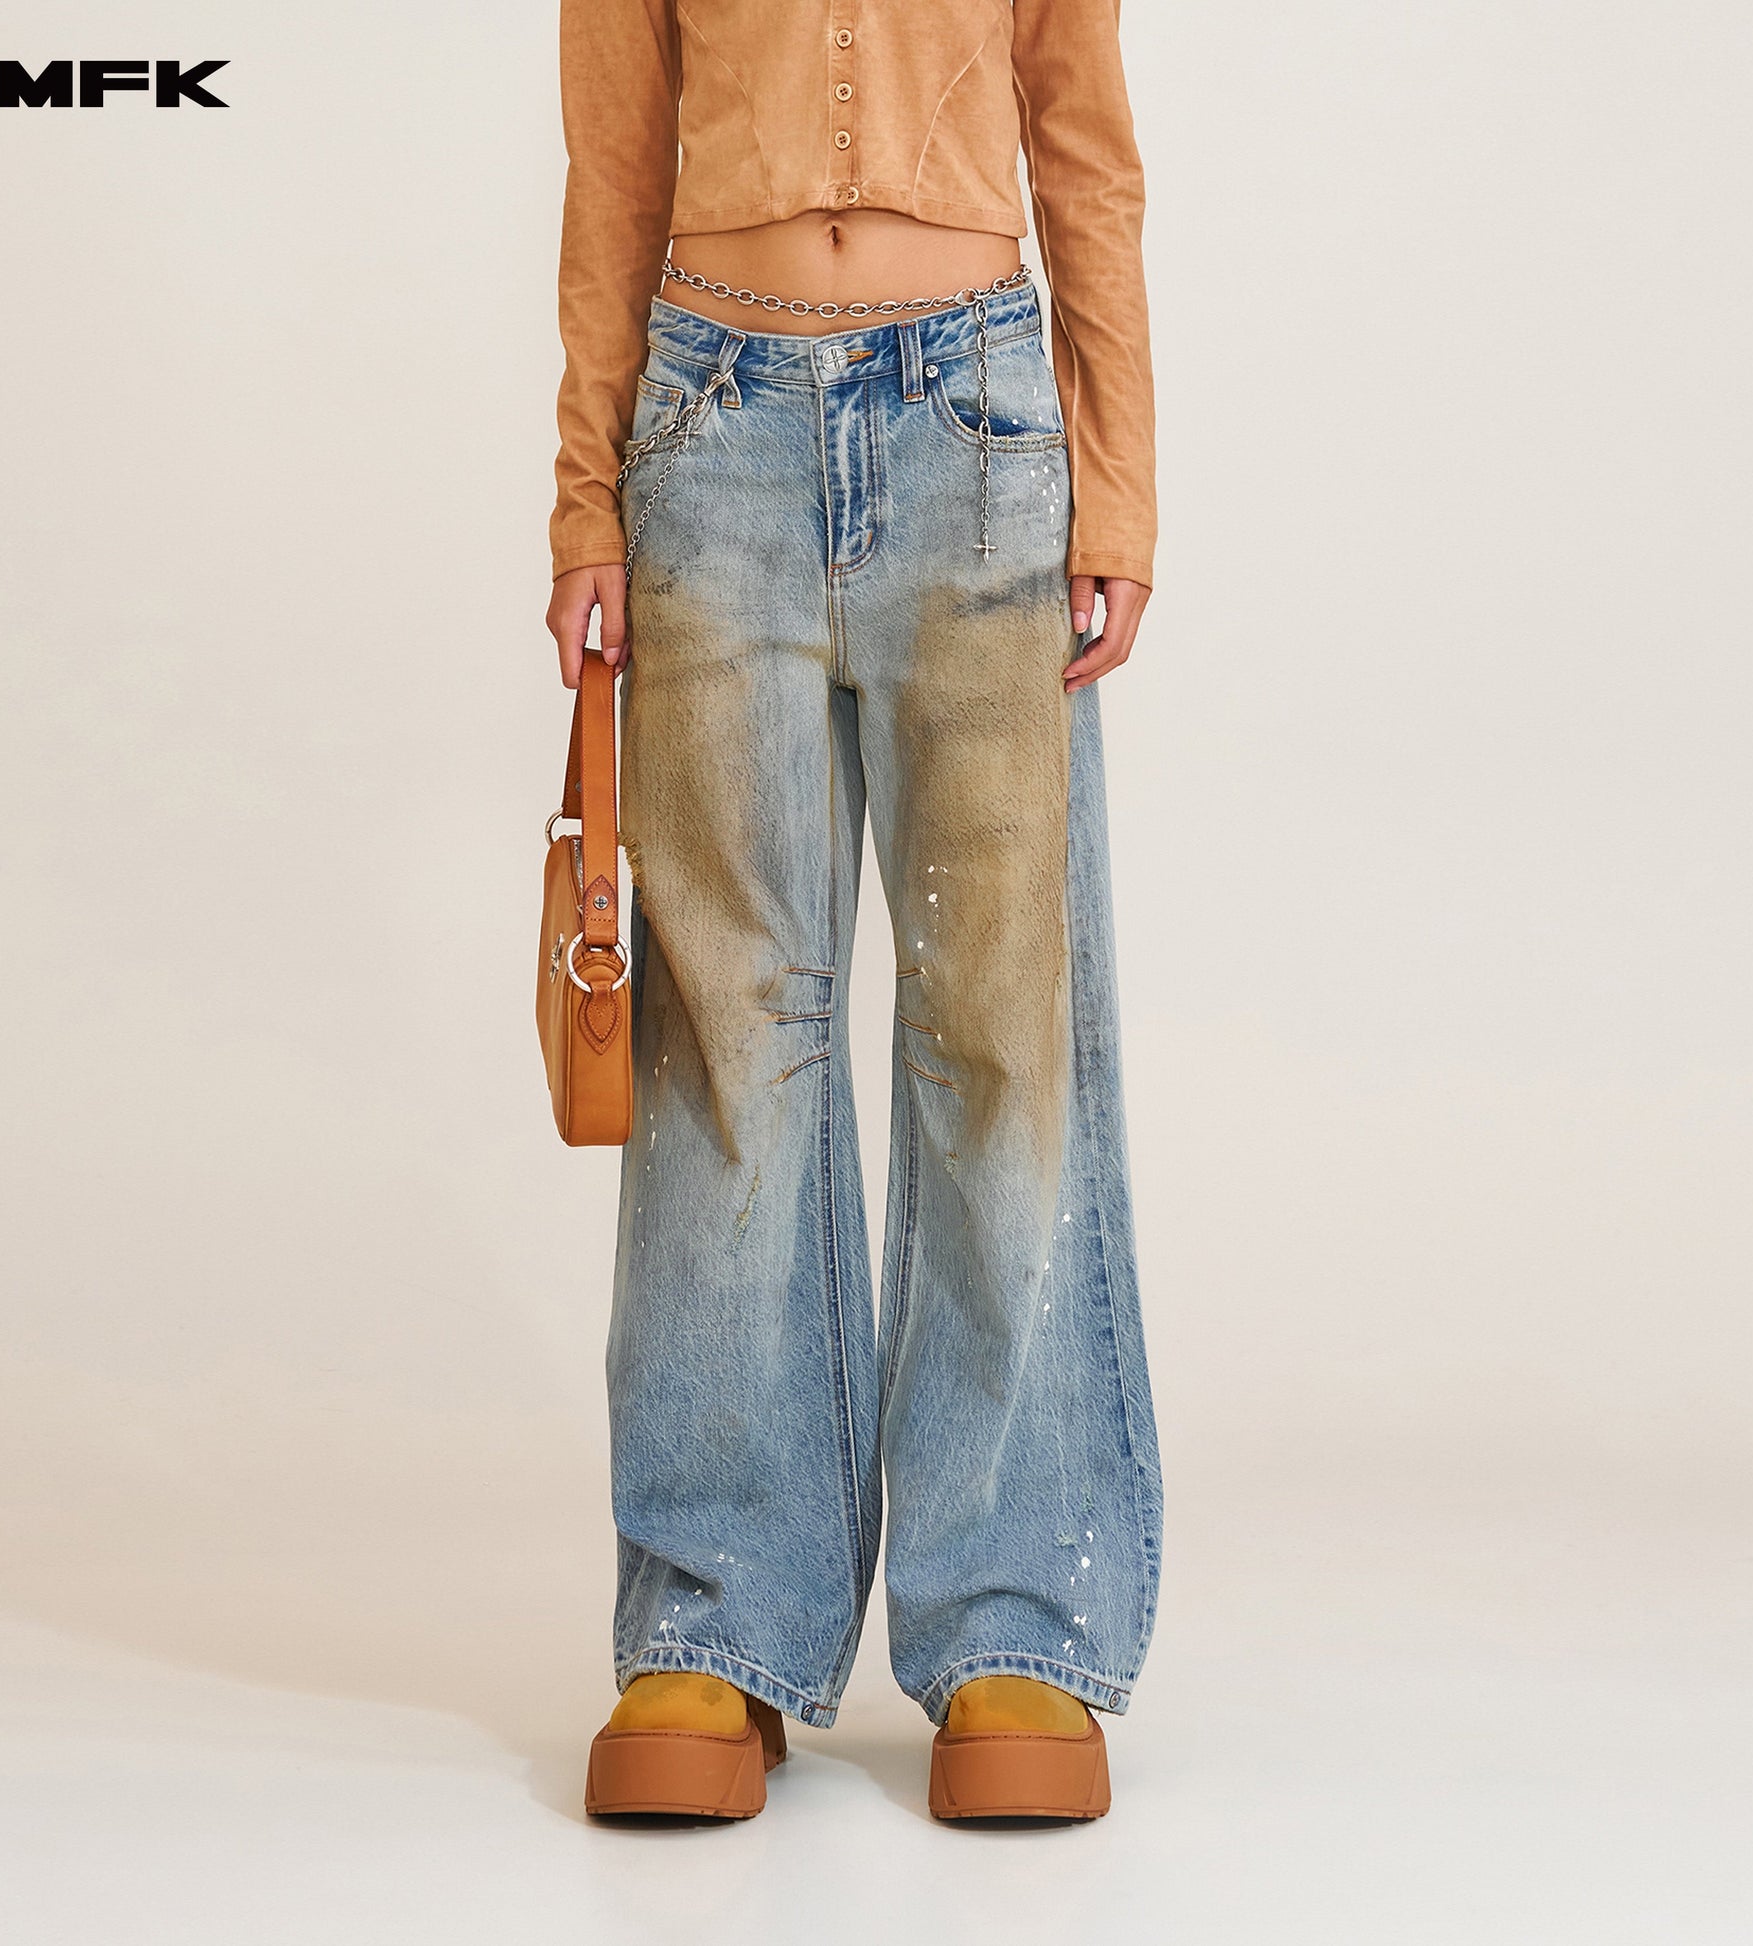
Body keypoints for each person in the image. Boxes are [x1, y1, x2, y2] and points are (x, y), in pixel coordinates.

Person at [544, 0, 1164, 1823]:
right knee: (725, 1044)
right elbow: (612, 166)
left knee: (1001, 1037)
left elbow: (1086, 153)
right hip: (708, 427)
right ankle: (714, 1613)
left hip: (977, 429)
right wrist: (585, 494)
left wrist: (1117, 484)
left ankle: (1014, 1617)